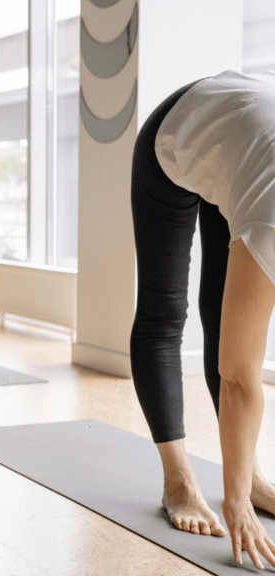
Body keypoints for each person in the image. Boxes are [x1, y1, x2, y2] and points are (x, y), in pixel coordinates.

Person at [130, 70, 275, 570]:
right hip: (182, 132)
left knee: (224, 313)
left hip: (245, 146)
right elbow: (239, 375)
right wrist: (232, 503)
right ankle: (179, 480)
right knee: (165, 310)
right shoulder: (272, 221)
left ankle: (251, 479)